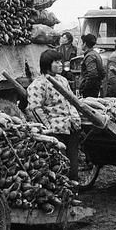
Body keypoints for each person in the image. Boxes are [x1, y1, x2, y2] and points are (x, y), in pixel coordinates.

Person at [26, 49, 82, 180]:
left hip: (72, 126)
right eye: (56, 62)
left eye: (60, 61)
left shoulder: (63, 80)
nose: (61, 64)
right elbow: (34, 109)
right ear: (47, 65)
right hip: (56, 130)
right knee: (60, 165)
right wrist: (48, 128)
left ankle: (74, 190)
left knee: (73, 162)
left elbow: (72, 101)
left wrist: (75, 118)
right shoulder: (38, 84)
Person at [79, 34, 105, 98]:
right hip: (95, 87)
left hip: (90, 90)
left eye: (81, 43)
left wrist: (84, 88)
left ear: (84, 44)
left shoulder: (90, 56)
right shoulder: (95, 54)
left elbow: (92, 75)